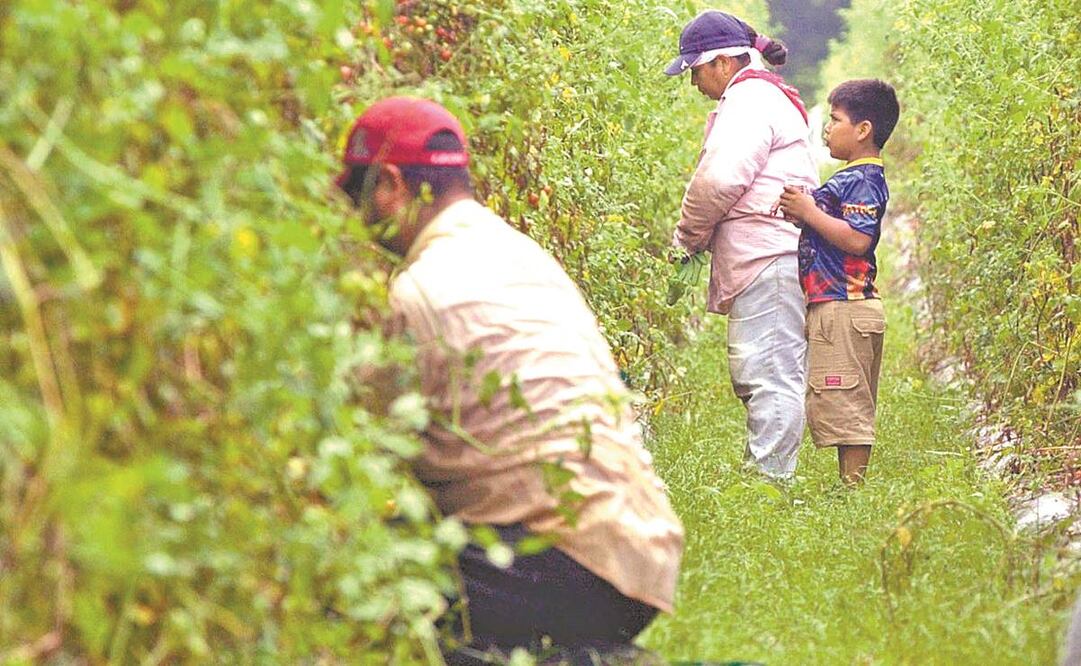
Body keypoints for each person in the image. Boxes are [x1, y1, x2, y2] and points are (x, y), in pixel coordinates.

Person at [334, 97, 684, 662]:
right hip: (639, 549)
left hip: (564, 563)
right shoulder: (524, 258)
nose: (353, 214)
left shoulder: (417, 294)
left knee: (359, 586)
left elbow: (370, 456)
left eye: (356, 193)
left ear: (392, 185)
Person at [665, 10, 818, 480]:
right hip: (768, 255)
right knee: (764, 368)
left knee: (769, 373)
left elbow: (720, 178)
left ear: (723, 63)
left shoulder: (750, 100)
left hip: (768, 255)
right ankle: (767, 474)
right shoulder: (761, 95)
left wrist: (687, 237)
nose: (693, 82)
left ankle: (769, 484)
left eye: (695, 70)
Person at [777, 79, 900, 485]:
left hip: (846, 306)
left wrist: (810, 213)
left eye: (834, 120)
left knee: (846, 400)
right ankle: (850, 485)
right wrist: (804, 210)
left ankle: (853, 489)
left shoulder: (863, 179)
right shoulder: (850, 178)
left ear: (863, 129)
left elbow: (858, 238)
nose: (827, 129)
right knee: (841, 398)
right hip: (837, 306)